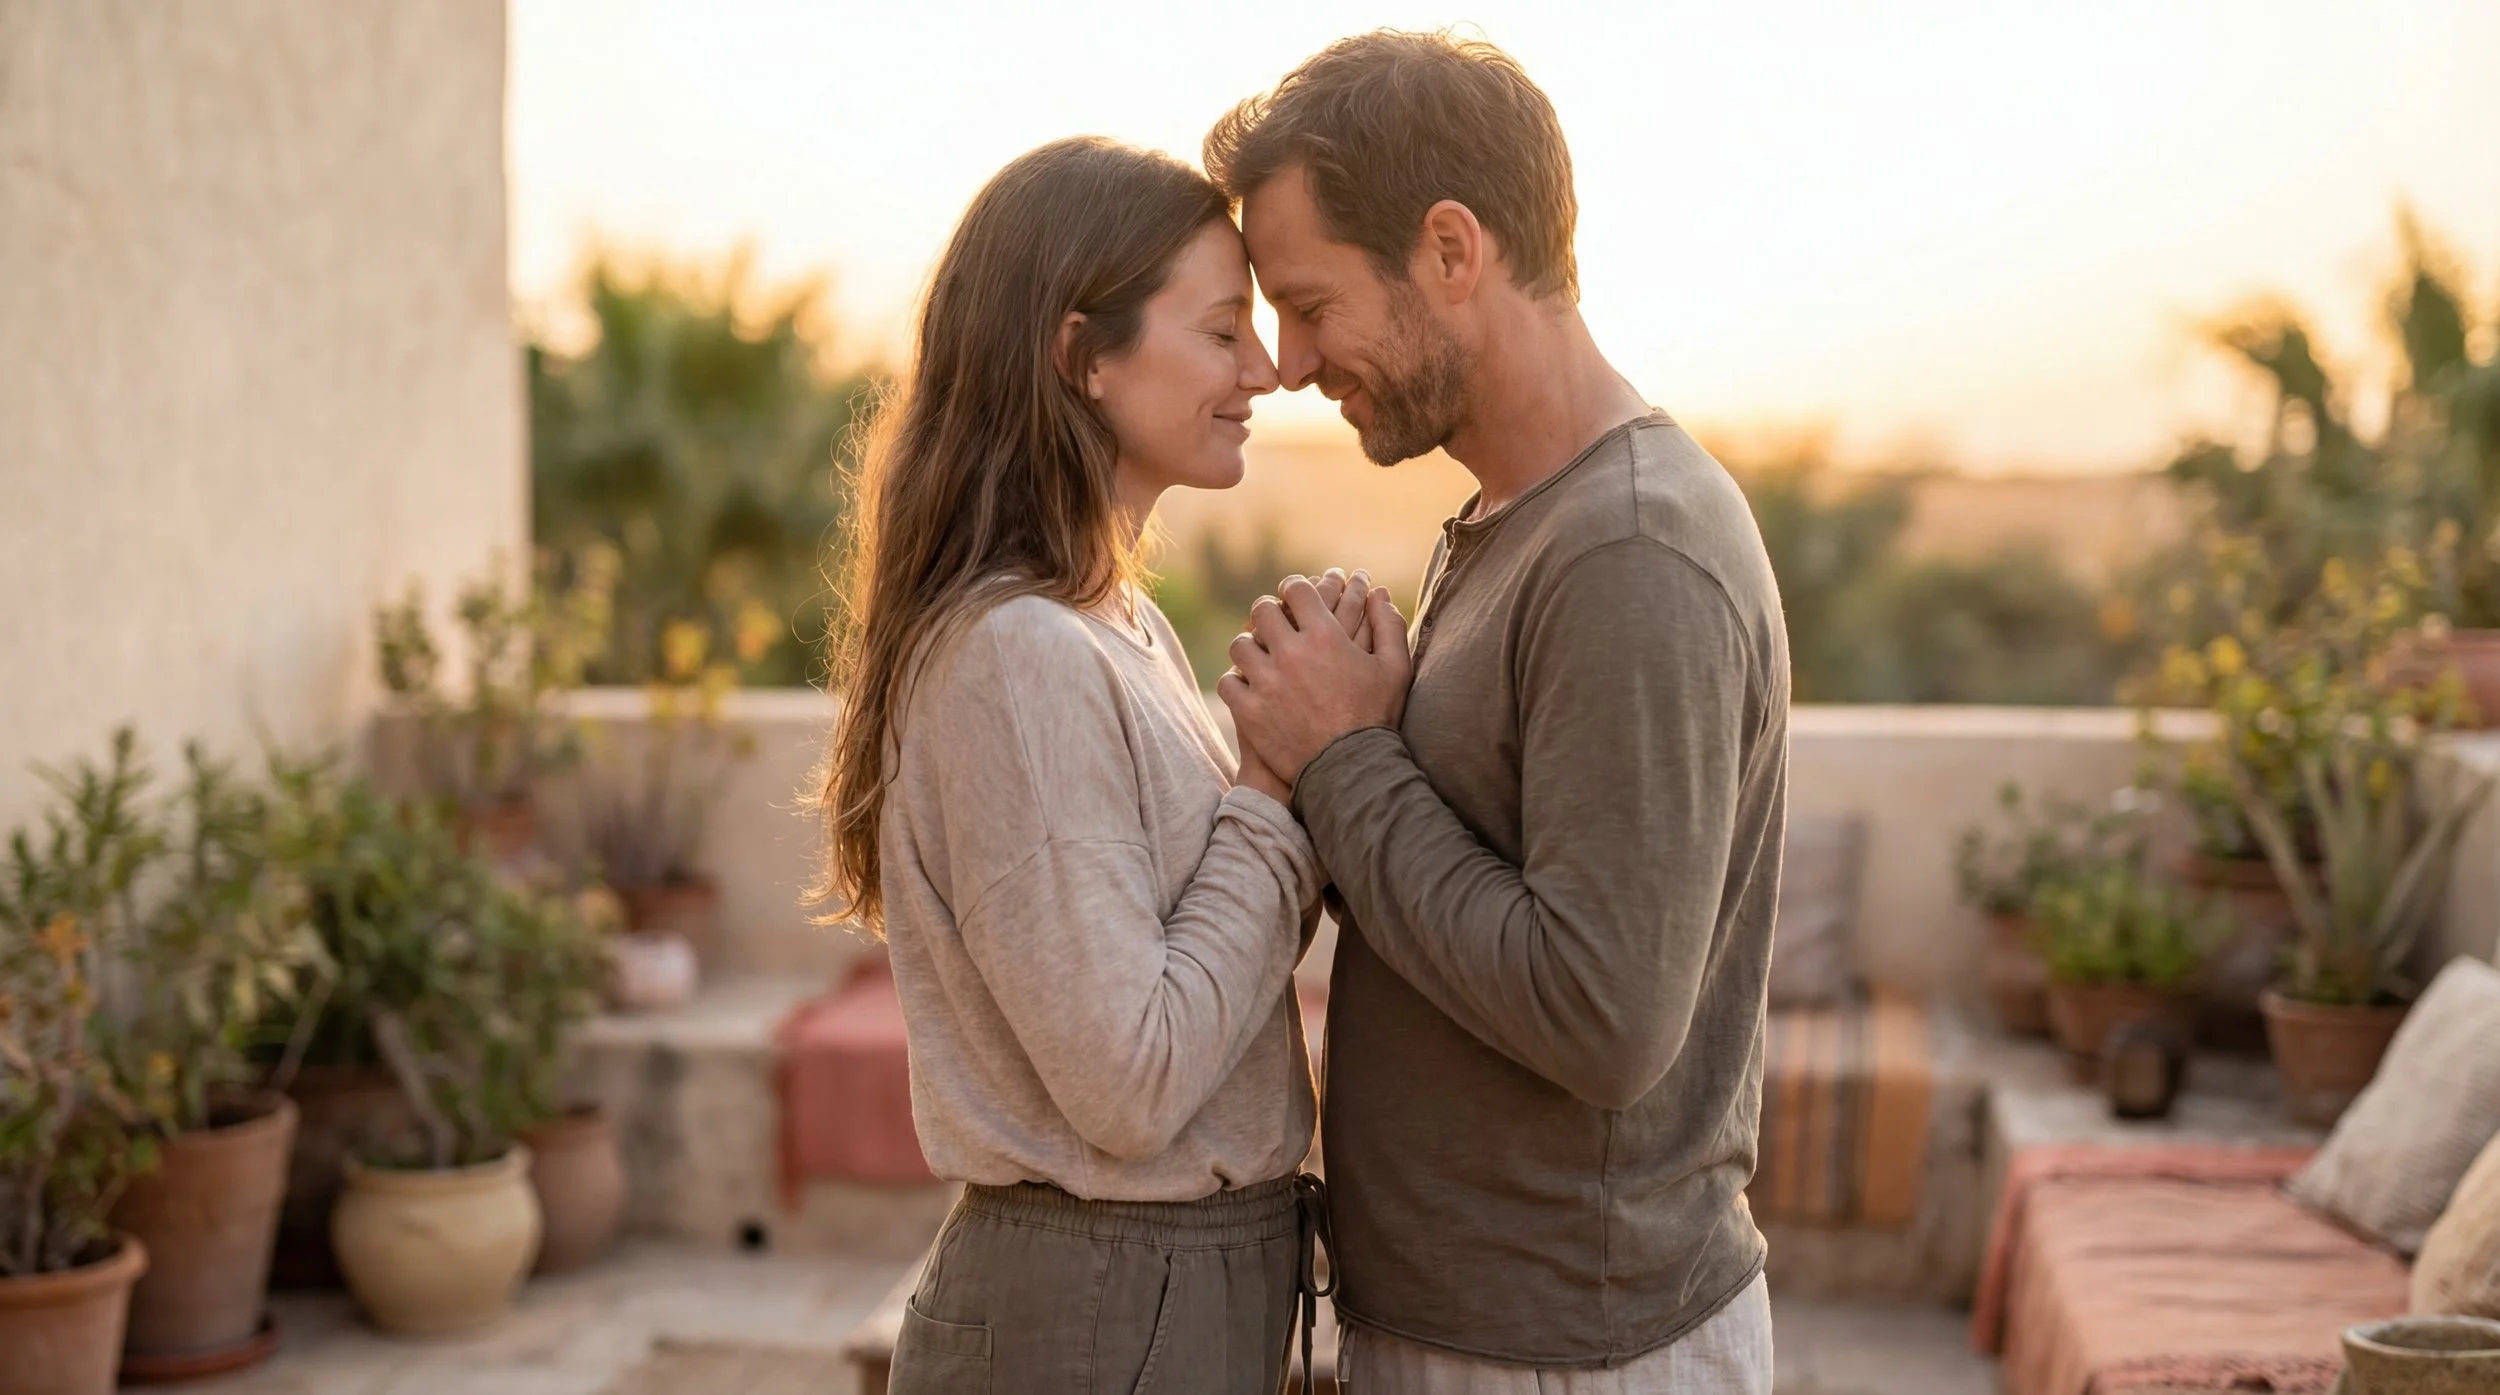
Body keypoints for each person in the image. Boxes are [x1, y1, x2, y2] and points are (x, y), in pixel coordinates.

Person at [1207, 31, 1793, 1394]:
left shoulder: (1628, 551)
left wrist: (1346, 756)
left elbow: (1600, 1014)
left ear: (1452, 251)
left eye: (1310, 301)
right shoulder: (1507, 523)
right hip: (1487, 1334)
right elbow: (1460, 905)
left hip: (1571, 1353)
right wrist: (1350, 736)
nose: (1289, 361)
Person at [814, 135, 1372, 1395]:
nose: (1268, 370)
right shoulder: (1019, 658)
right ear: (1082, 358)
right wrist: (1277, 786)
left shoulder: (1115, 627)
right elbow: (1132, 1076)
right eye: (1223, 330)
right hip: (1099, 1314)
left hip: (1168, 1294)